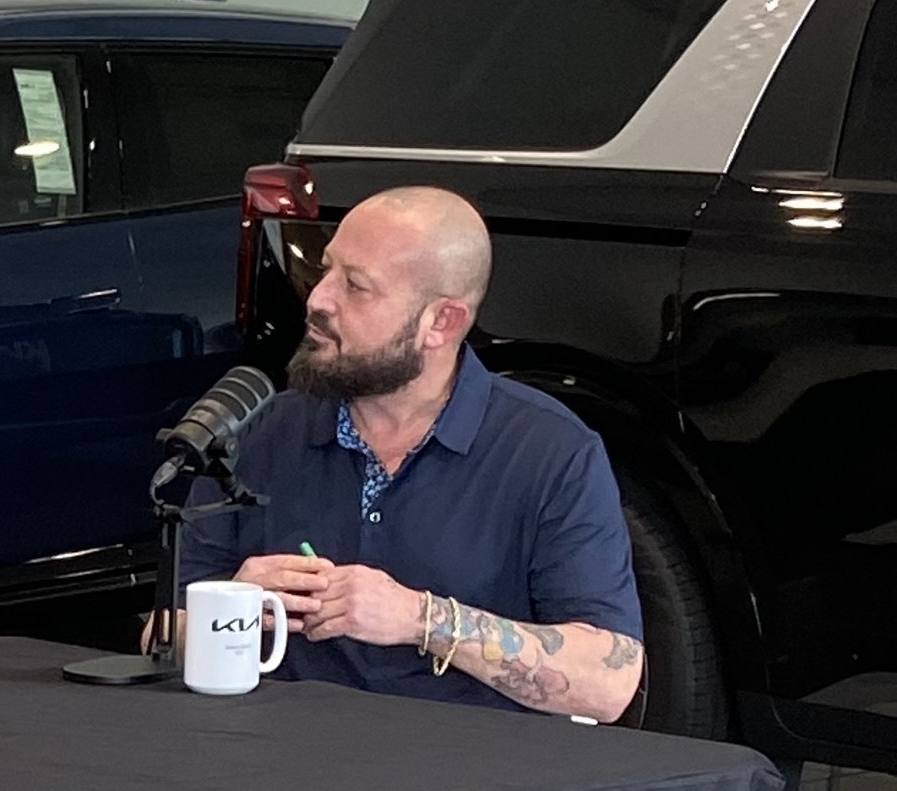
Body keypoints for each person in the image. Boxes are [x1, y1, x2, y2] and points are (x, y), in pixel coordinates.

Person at [179, 185, 644, 718]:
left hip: (470, 777)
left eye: (355, 286)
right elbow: (162, 637)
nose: (318, 299)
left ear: (440, 323)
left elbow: (610, 684)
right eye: (326, 269)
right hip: (283, 761)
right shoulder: (264, 430)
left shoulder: (551, 452)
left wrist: (421, 619)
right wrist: (231, 605)